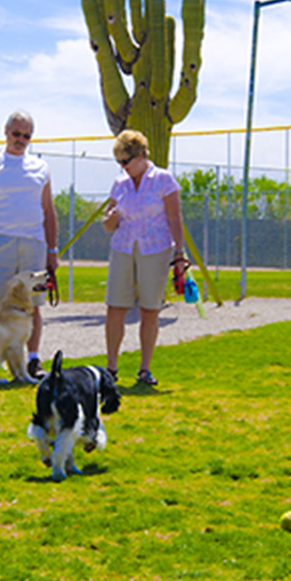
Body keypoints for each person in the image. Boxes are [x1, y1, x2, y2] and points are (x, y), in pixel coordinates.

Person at [0, 110, 58, 376]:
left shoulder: (41, 168)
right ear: (6, 132)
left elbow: (49, 211)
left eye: (26, 136)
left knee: (33, 305)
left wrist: (52, 251)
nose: (20, 140)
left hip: (34, 243)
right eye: (16, 134)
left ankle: (32, 359)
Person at [102, 128, 186, 388]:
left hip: (155, 249)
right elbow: (107, 223)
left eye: (126, 161)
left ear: (140, 155)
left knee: (150, 309)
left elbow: (174, 218)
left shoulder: (164, 179)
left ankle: (144, 369)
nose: (123, 167)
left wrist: (179, 254)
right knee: (115, 306)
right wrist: (111, 219)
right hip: (123, 247)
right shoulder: (120, 183)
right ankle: (111, 369)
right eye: (119, 162)